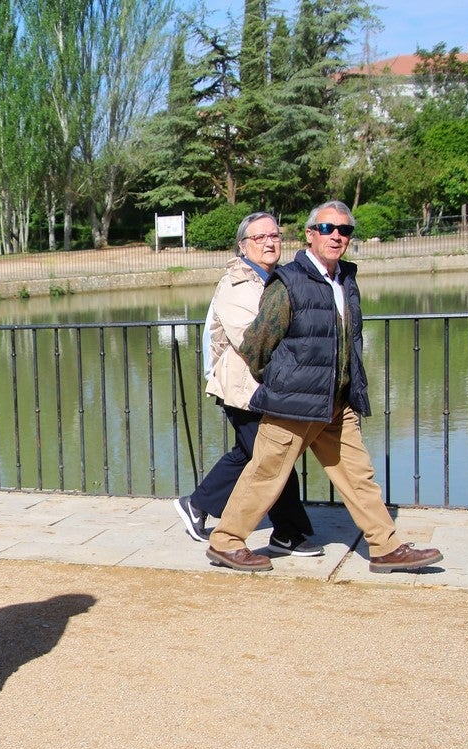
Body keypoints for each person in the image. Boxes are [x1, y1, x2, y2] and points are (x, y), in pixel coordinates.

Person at [205, 200, 444, 574]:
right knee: (265, 474)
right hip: (294, 404)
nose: (337, 236)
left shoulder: (346, 279)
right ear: (310, 234)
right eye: (328, 229)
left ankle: (386, 547)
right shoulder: (288, 281)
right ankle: (225, 542)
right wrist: (288, 380)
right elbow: (256, 345)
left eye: (344, 230)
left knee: (357, 475)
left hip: (336, 402)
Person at [174, 213, 316, 555]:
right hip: (242, 388)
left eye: (275, 236)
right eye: (260, 237)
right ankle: (289, 532)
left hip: (268, 386)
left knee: (248, 454)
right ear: (243, 246)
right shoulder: (236, 285)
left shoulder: (276, 279)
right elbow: (253, 341)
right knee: (272, 458)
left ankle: (196, 503)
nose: (269, 242)